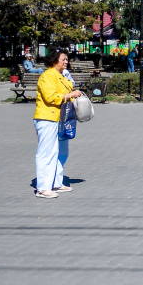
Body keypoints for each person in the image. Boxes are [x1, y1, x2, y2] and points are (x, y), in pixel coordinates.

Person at [33, 49, 83, 198]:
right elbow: (50, 97)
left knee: (62, 152)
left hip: (62, 119)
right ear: (54, 60)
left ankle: (56, 182)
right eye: (63, 59)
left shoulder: (62, 75)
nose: (66, 62)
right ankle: (43, 187)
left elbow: (69, 89)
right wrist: (70, 95)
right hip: (47, 118)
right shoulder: (48, 76)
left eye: (67, 59)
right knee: (47, 152)